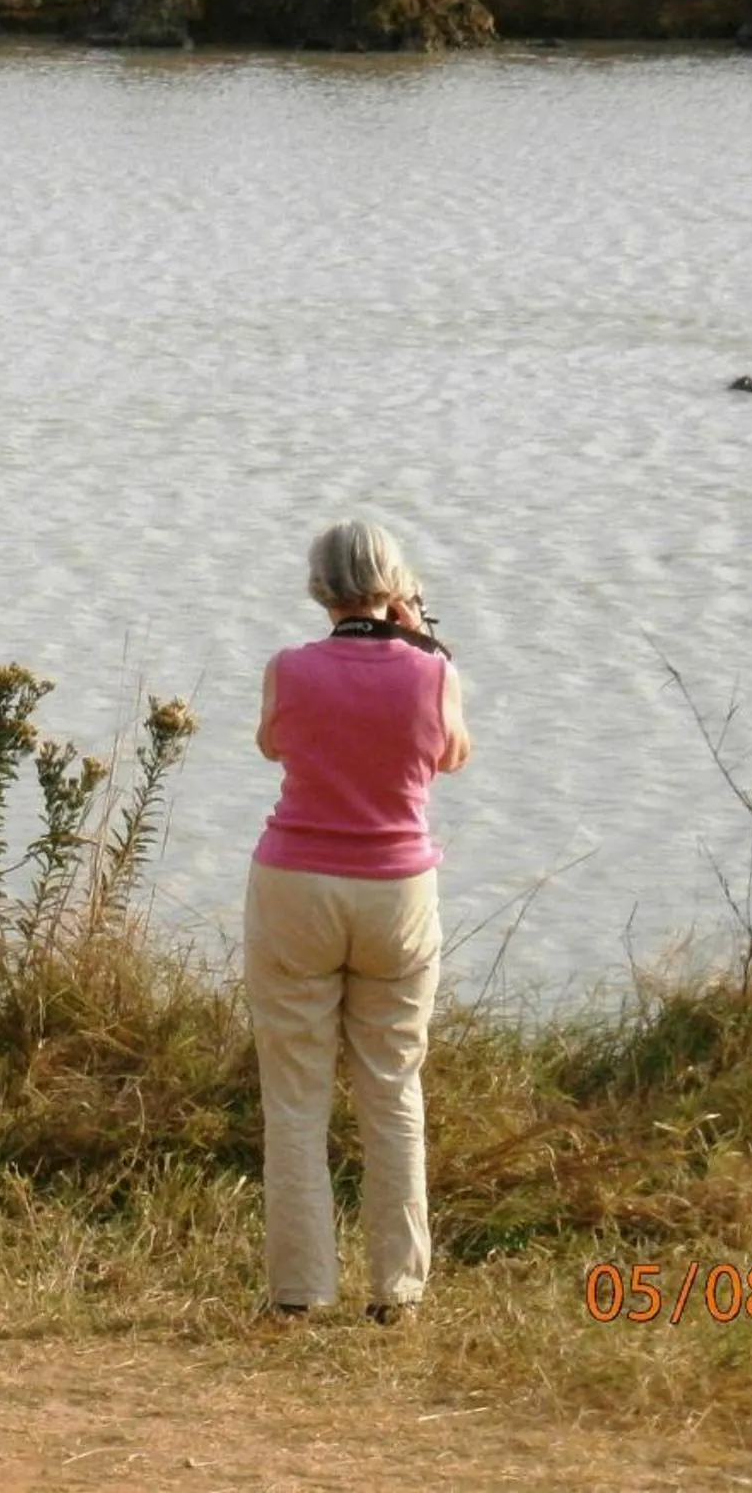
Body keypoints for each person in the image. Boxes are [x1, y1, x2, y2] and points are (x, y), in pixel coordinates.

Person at [245, 520, 472, 1325]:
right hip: (398, 892)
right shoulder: (431, 674)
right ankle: (398, 1289)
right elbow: (453, 756)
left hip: (296, 885)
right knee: (392, 1086)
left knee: (295, 1092)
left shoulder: (290, 669)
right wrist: (424, 644)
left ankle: (299, 1289)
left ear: (320, 588)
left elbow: (274, 744)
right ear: (398, 586)